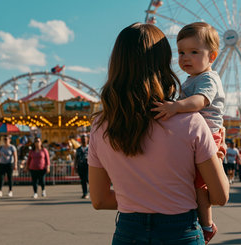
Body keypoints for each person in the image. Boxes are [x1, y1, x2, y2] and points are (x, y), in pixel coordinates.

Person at [88, 23, 229, 245]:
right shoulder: (192, 121)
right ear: (163, 62)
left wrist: (142, 199)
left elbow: (99, 199)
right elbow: (220, 196)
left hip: (128, 232)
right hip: (181, 231)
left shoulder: (100, 126)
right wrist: (219, 156)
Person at [150, 22, 225, 242]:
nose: (185, 58)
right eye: (181, 52)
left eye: (194, 52)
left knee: (199, 184)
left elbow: (199, 101)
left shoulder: (208, 79)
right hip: (199, 136)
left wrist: (174, 107)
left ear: (212, 56)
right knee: (193, 182)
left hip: (209, 136)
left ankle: (206, 224)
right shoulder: (191, 79)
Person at [75, 134, 89, 199]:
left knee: (88, 179)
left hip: (88, 166)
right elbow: (76, 158)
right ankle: (85, 193)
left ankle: (93, 192)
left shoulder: (90, 148)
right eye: (82, 138)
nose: (84, 140)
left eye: (85, 138)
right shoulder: (78, 149)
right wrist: (75, 166)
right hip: (81, 166)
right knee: (83, 180)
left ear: (87, 139)